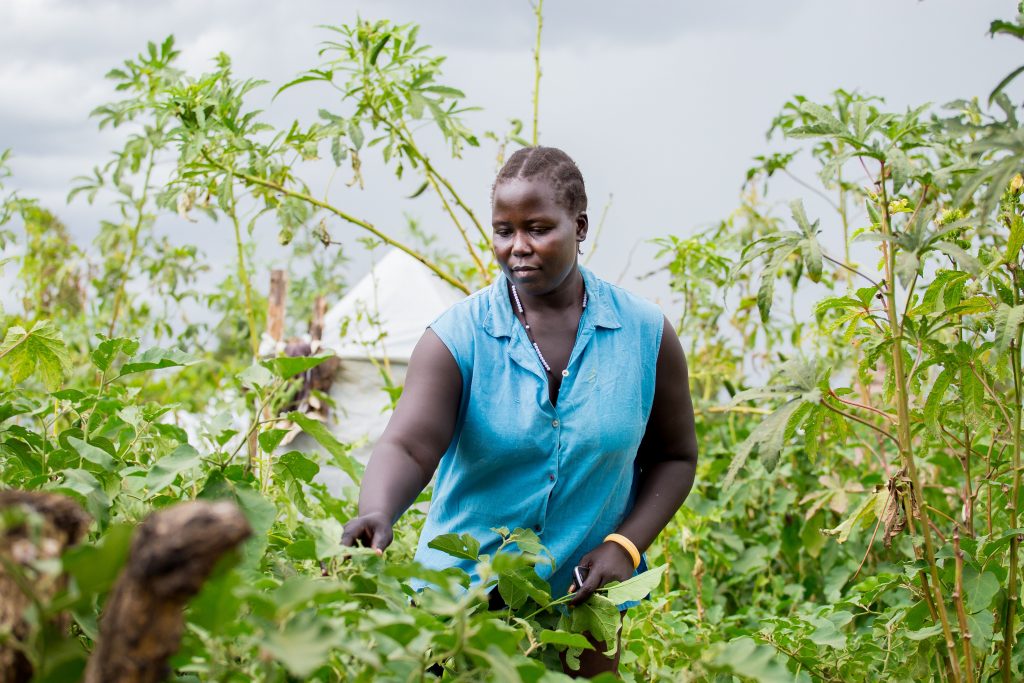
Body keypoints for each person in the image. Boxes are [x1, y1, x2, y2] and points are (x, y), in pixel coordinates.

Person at [341, 146, 698, 676]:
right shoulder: (457, 338)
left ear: (579, 227)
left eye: (538, 228)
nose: (519, 248)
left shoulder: (644, 334)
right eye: (504, 231)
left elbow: (674, 456)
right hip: (460, 603)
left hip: (581, 606)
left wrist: (623, 545)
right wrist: (378, 510)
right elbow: (410, 445)